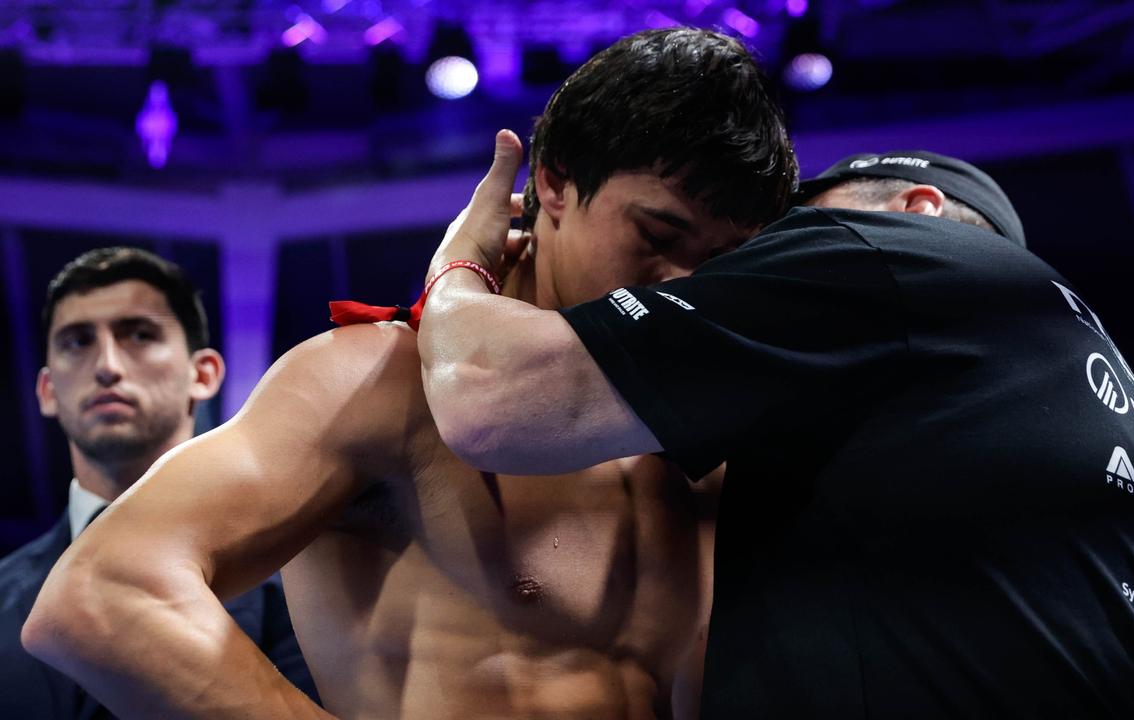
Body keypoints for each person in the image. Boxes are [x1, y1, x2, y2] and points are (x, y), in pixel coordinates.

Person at [22, 28, 797, 719]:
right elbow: (105, 596)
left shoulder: (705, 428)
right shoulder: (379, 381)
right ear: (554, 184)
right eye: (657, 233)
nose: (682, 285)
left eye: (720, 261)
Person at [416, 145, 1134, 718]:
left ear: (919, 208)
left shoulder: (891, 258)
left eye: (788, 233)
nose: (747, 264)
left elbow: (488, 394)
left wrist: (462, 259)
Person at [0, 247, 319, 718]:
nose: (107, 364)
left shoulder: (296, 594)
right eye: (77, 341)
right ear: (47, 390)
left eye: (139, 335)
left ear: (203, 374)